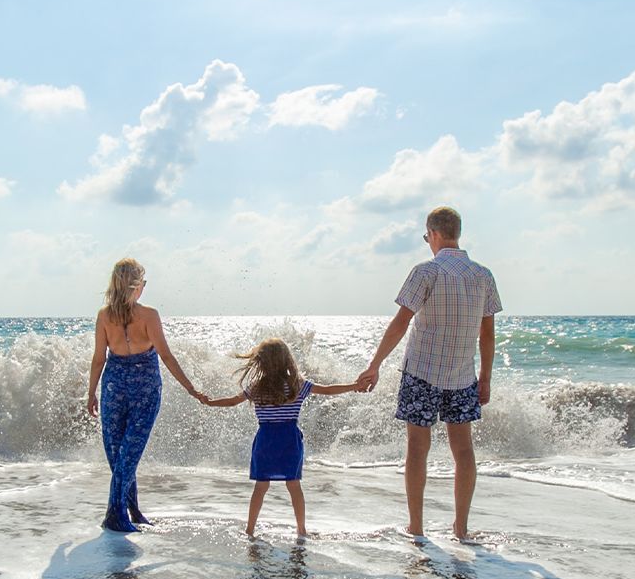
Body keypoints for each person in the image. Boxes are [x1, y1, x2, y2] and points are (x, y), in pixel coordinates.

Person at [355, 206, 502, 539]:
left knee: (417, 449)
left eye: (426, 237)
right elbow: (488, 335)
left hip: (421, 372)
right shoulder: (483, 275)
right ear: (457, 233)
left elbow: (400, 323)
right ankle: (461, 528)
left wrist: (375, 364)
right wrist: (487, 378)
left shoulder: (426, 272)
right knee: (463, 451)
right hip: (463, 376)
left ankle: (417, 527)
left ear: (434, 234)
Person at [86, 258, 205, 533]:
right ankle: (116, 514)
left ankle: (130, 510)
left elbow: (98, 359)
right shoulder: (148, 315)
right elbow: (165, 355)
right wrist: (190, 388)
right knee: (125, 455)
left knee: (122, 454)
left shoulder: (105, 315)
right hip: (144, 388)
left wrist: (91, 392)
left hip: (114, 386)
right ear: (138, 286)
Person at [198, 337, 361, 537]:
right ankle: (301, 530)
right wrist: (354, 386)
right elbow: (327, 390)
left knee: (261, 486)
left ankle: (250, 530)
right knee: (294, 485)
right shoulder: (296, 385)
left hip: (266, 439)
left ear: (262, 362)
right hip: (289, 439)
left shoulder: (257, 387)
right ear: (286, 360)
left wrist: (210, 402)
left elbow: (232, 402)